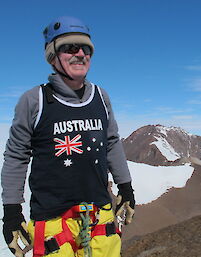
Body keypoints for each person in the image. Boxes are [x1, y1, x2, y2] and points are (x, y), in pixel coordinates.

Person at [1, 16, 135, 257]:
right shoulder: (34, 101)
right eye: (69, 47)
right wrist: (12, 212)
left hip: (100, 214)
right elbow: (16, 156)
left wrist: (126, 189)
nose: (80, 53)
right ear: (53, 56)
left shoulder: (100, 97)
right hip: (53, 220)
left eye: (86, 49)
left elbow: (112, 143)